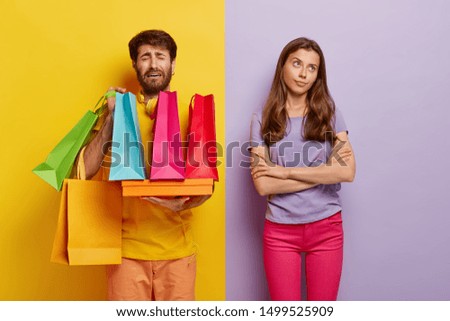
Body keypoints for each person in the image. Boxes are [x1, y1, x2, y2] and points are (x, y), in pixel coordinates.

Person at [77, 29, 210, 300]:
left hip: (178, 253)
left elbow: (207, 187)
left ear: (172, 64)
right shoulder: (118, 110)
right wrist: (111, 121)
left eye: (160, 56)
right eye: (145, 57)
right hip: (126, 254)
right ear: (135, 66)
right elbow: (83, 172)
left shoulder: (191, 112)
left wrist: (183, 203)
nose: (152, 64)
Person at [249, 37, 356, 301]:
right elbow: (264, 185)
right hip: (280, 231)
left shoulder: (329, 112)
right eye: (297, 63)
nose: (303, 73)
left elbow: (347, 172)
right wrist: (324, 172)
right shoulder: (262, 118)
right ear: (283, 66)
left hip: (327, 227)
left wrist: (284, 172)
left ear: (318, 74)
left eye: (312, 67)